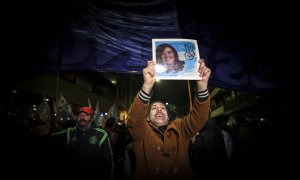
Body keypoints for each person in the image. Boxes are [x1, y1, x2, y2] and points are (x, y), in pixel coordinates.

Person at [127, 59, 211, 179]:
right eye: (154, 108)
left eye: (163, 108)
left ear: (167, 114)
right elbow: (134, 120)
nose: (159, 110)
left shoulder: (180, 128)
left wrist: (202, 87)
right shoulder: (141, 131)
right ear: (148, 117)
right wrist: (147, 86)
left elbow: (199, 117)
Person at [48, 106, 113, 178]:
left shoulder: (101, 134)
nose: (82, 117)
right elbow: (50, 139)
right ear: (76, 118)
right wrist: (45, 132)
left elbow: (108, 161)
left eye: (86, 115)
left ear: (92, 118)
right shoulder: (70, 132)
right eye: (80, 115)